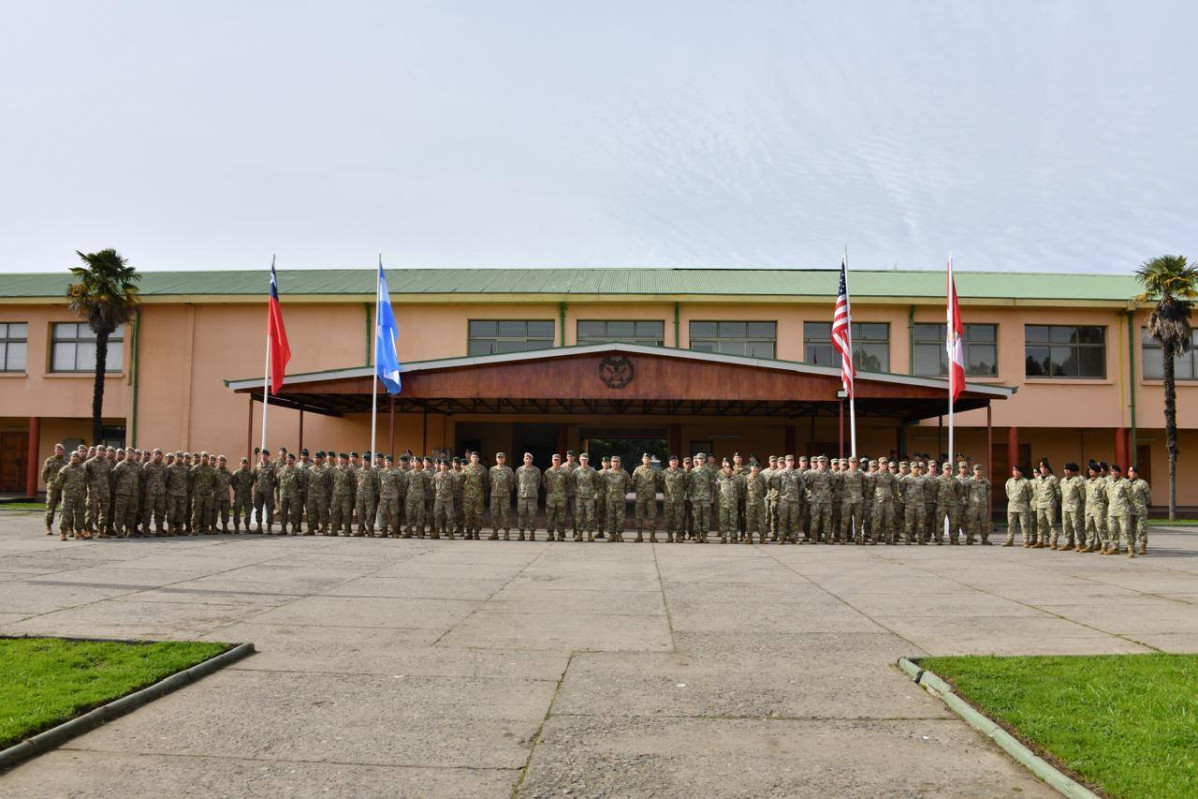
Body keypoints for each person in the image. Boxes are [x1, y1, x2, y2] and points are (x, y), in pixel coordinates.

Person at [1105, 464, 1135, 557]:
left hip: (1123, 511)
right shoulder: (1109, 483)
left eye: (1116, 471)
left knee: (1125, 530)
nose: (1114, 473)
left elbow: (1131, 496)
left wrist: (1127, 507)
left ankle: (1130, 549)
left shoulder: (1125, 482)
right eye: (1112, 471)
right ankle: (1115, 547)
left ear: (1120, 472)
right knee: (1112, 530)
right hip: (1112, 510)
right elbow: (1107, 497)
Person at [57, 452, 87, 541]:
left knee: (80, 514)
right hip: (68, 495)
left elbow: (85, 480)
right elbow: (59, 483)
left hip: (80, 495)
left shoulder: (83, 469)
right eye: (73, 456)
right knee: (66, 514)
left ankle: (79, 531)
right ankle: (63, 532)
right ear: (70, 457)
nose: (75, 458)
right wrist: (66, 489)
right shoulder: (65, 469)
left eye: (77, 456)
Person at [1003, 465, 1034, 547]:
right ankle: (1010, 540)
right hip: (1012, 505)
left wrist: (1024, 501)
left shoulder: (1026, 482)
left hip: (1022, 505)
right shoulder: (1009, 481)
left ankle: (1025, 541)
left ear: (1021, 472)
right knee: (1010, 525)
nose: (1016, 473)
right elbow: (1007, 492)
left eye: (1018, 471)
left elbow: (1030, 494)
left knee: (1024, 524)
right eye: (1014, 471)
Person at [572, 453, 600, 541]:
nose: (584, 461)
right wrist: (576, 490)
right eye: (582, 459)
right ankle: (579, 534)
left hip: (589, 497)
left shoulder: (593, 471)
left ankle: (590, 535)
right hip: (579, 497)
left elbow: (597, 482)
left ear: (588, 460)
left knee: (590, 516)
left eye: (585, 459)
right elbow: (572, 482)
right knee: (579, 516)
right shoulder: (576, 471)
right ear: (579, 460)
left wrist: (593, 491)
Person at [632, 453, 659, 543]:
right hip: (640, 497)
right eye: (644, 458)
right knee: (639, 517)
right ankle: (639, 536)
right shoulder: (638, 470)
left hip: (651, 497)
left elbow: (658, 482)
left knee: (652, 517)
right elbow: (634, 481)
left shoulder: (655, 470)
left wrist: (653, 490)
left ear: (650, 460)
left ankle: (652, 536)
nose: (646, 460)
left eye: (648, 458)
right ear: (642, 460)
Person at [1059, 462, 1086, 551]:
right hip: (1065, 507)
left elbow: (1083, 495)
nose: (1066, 471)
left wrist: (1081, 504)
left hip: (1076, 507)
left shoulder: (1080, 480)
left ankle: (1079, 543)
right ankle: (1068, 542)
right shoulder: (1063, 480)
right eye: (1065, 469)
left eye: (1068, 470)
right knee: (1066, 526)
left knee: (1077, 526)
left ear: (1074, 471)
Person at [543, 454, 570, 542]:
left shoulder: (565, 472)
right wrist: (550, 492)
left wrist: (562, 492)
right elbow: (545, 484)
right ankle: (550, 535)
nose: (556, 461)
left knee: (561, 517)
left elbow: (568, 483)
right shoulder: (548, 472)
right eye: (554, 460)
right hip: (551, 499)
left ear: (560, 461)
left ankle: (561, 535)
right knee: (550, 517)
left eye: (558, 460)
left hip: (561, 498)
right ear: (552, 460)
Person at [515, 452, 541, 541]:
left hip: (532, 497)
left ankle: (532, 534)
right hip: (522, 496)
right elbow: (516, 482)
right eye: (526, 458)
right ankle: (521, 534)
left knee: (532, 515)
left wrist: (532, 490)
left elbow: (538, 482)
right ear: (524, 459)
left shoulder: (536, 470)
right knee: (521, 515)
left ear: (532, 460)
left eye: (530, 458)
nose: (528, 460)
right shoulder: (519, 470)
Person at [42, 443, 66, 535]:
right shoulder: (49, 460)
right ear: (55, 450)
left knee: (64, 508)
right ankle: (48, 526)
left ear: (63, 451)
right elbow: (44, 474)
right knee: (50, 507)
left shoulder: (66, 461)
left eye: (60, 449)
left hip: (63, 487)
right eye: (57, 449)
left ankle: (63, 527)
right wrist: (50, 483)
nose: (59, 451)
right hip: (52, 487)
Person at [489, 452, 514, 540]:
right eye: (498, 457)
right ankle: (495, 533)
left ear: (504, 459)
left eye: (502, 457)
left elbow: (512, 483)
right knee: (494, 515)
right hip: (494, 496)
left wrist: (506, 491)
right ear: (496, 459)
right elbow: (489, 482)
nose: (500, 459)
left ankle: (506, 533)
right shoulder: (492, 470)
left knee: (505, 514)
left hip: (505, 496)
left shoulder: (509, 470)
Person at [1128, 466, 1151, 555]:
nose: (1133, 472)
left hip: (1140, 510)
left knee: (1141, 529)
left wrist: (1141, 504)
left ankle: (1143, 546)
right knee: (1130, 529)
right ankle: (1131, 546)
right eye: (1131, 471)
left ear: (1137, 473)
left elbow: (1148, 497)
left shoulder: (1142, 483)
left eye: (1135, 471)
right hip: (1129, 510)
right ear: (1128, 473)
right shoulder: (1125, 483)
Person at [965, 464, 991, 545]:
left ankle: (985, 539)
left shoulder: (986, 481)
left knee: (984, 523)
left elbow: (988, 492)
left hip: (983, 506)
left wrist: (984, 500)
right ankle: (969, 539)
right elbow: (965, 492)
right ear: (973, 471)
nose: (978, 471)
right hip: (972, 506)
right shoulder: (969, 481)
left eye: (980, 469)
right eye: (976, 469)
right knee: (971, 523)